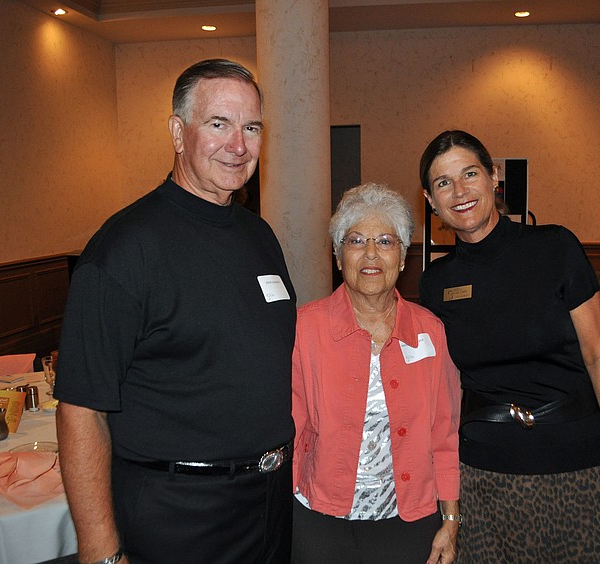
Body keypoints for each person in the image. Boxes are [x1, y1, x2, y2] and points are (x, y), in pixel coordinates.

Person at [54, 59, 296, 564]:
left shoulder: (260, 236)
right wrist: (101, 553)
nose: (239, 145)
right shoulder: (123, 250)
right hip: (178, 514)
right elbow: (81, 410)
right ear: (177, 132)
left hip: (269, 506)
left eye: (251, 127)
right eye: (218, 124)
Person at [418, 130, 600, 563]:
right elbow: (445, 386)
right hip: (483, 470)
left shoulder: (555, 247)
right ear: (430, 199)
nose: (459, 192)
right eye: (443, 183)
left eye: (469, 174)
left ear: (494, 177)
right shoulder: (436, 282)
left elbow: (599, 355)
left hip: (572, 460)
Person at [291, 183, 462, 564]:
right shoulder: (304, 329)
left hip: (408, 522)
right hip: (319, 521)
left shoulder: (429, 331)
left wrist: (450, 522)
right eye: (355, 241)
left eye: (385, 241)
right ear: (338, 256)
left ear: (402, 258)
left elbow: (445, 436)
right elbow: (292, 429)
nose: (371, 254)